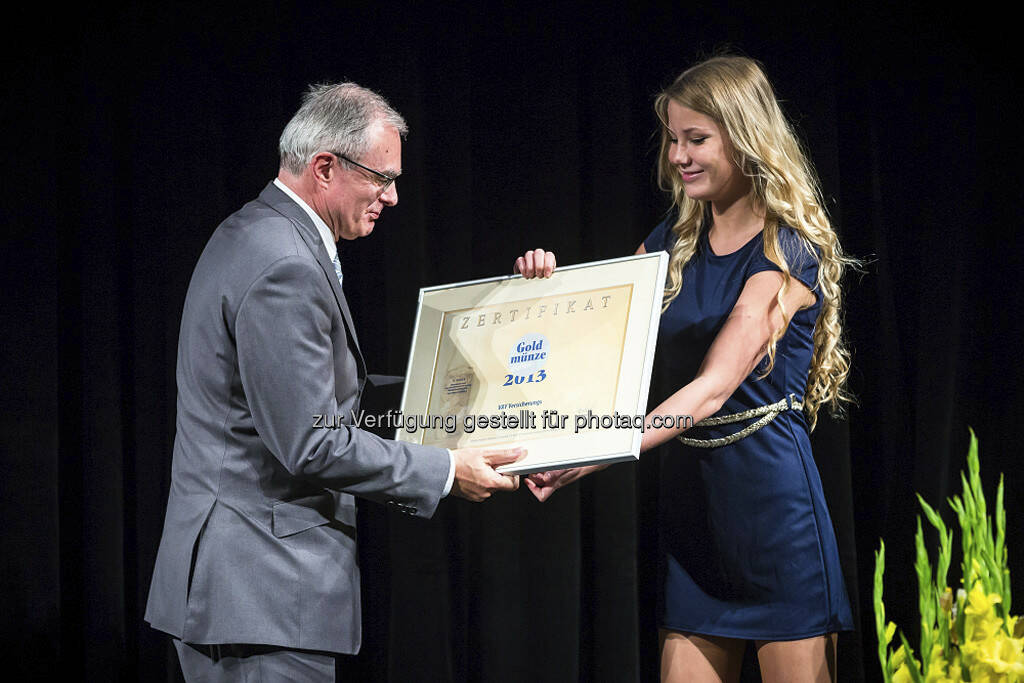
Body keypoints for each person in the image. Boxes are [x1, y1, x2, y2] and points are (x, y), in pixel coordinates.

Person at [145, 82, 524, 682]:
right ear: (326, 166)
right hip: (261, 592)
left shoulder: (252, 231)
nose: (394, 197)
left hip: (245, 591)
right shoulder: (286, 264)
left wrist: (479, 373)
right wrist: (448, 471)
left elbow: (317, 393)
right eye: (383, 178)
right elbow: (311, 440)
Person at [517, 55, 856, 682]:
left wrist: (591, 453)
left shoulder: (788, 250)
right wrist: (538, 294)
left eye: (696, 139)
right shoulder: (673, 236)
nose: (678, 156)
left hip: (774, 519)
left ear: (746, 137)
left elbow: (713, 387)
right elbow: (596, 332)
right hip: (693, 516)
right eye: (674, 139)